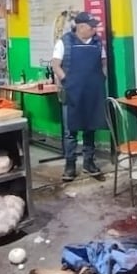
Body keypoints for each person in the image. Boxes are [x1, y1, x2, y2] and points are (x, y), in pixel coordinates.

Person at [51, 12, 107, 181]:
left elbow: (104, 62)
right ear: (81, 27)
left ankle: (89, 163)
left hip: (92, 92)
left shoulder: (97, 42)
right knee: (71, 131)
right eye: (91, 26)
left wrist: (102, 77)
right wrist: (67, 81)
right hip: (72, 92)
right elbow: (55, 64)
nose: (94, 29)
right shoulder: (65, 42)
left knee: (90, 128)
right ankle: (70, 166)